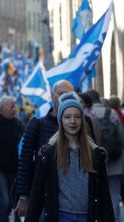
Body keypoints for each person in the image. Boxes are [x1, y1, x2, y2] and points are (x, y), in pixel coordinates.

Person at [25, 92, 114, 222]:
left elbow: (104, 194)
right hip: (61, 216)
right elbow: (37, 194)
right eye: (67, 117)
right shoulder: (49, 153)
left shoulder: (95, 153)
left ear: (82, 121)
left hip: (88, 216)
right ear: (61, 120)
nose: (72, 121)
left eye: (77, 117)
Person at [15, 80, 74, 216]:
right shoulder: (37, 124)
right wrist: (24, 196)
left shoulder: (81, 125)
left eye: (69, 94)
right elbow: (25, 161)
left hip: (72, 199)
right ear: (52, 95)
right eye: (60, 93)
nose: (64, 97)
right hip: (44, 194)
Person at [88, 89, 124, 222]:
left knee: (98, 193)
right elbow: (121, 136)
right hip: (114, 160)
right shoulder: (111, 112)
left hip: (96, 161)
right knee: (114, 192)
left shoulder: (87, 114)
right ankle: (114, 219)